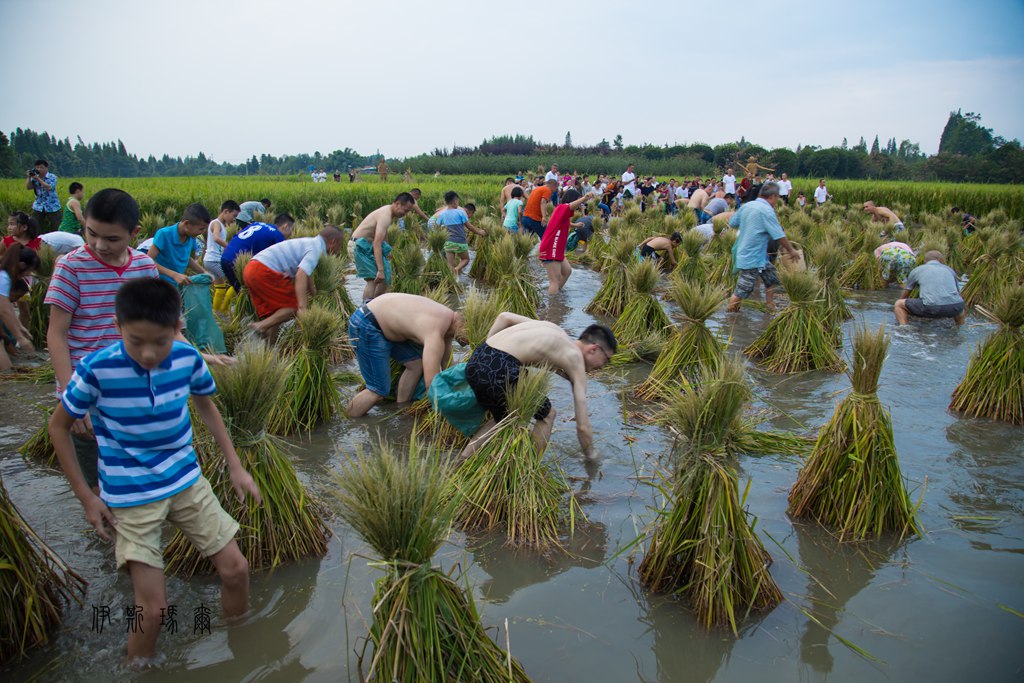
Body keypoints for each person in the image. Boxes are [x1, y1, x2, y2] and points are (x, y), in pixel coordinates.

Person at [49, 277, 260, 663]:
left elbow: (206, 406)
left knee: (236, 569)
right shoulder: (96, 369)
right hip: (130, 494)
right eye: (136, 341)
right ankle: (140, 669)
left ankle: (244, 649)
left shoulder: (187, 358)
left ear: (176, 327)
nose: (148, 354)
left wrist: (235, 465)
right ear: (118, 326)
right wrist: (86, 497)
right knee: (153, 609)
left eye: (160, 342)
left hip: (186, 479)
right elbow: (58, 427)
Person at [45, 189, 161, 492]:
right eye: (91, 233)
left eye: (111, 239)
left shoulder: (144, 267)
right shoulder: (71, 267)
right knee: (97, 484)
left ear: (134, 233)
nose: (99, 245)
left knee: (136, 477)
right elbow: (56, 334)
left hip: (132, 389)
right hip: (84, 391)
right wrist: (71, 398)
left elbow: (156, 327)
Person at [461, 316, 616, 461]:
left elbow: (504, 317)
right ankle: (529, 467)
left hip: (478, 358)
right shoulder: (575, 358)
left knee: (504, 416)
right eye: (606, 360)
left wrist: (487, 361)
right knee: (548, 414)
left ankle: (462, 459)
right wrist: (592, 456)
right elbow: (582, 426)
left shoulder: (554, 330)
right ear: (594, 349)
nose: (603, 366)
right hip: (500, 368)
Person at [347, 293, 465, 417]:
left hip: (382, 321)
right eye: (469, 334)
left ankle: (401, 409)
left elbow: (447, 364)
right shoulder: (435, 332)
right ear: (462, 325)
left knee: (416, 364)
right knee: (377, 390)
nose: (468, 342)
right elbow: (431, 384)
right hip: (367, 324)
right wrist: (451, 409)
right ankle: (349, 420)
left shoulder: (448, 322)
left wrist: (463, 386)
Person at [243, 225, 344, 342]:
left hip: (251, 269)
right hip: (263, 271)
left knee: (277, 313)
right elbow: (301, 274)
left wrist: (314, 293)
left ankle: (269, 349)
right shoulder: (316, 249)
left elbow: (307, 273)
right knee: (292, 307)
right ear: (333, 242)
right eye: (340, 246)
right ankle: (260, 326)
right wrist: (302, 307)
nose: (339, 251)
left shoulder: (311, 243)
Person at [726, 182, 800, 312]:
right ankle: (730, 315)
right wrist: (791, 250)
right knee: (743, 289)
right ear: (773, 196)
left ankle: (770, 305)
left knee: (771, 278)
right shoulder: (767, 211)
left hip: (759, 256)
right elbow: (779, 235)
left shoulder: (747, 205)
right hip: (751, 256)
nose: (777, 201)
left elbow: (732, 222)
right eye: (777, 197)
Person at [351, 193, 416, 301]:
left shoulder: (389, 214)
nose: (405, 214)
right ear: (397, 204)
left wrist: (387, 252)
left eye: (408, 211)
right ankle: (366, 308)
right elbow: (377, 243)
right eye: (405, 210)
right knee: (373, 279)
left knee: (385, 278)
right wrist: (380, 270)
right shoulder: (385, 215)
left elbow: (383, 236)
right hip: (359, 246)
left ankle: (376, 304)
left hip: (369, 246)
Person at [220, 214, 294, 291]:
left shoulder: (258, 224)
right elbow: (284, 259)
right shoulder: (277, 235)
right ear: (285, 226)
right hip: (236, 262)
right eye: (291, 230)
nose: (291, 234)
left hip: (225, 257)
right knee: (249, 291)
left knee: (239, 290)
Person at [539, 189, 593, 295]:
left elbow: (564, 222)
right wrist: (585, 198)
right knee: (554, 280)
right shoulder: (562, 207)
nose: (579, 205)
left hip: (557, 248)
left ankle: (556, 294)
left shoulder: (562, 212)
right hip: (551, 247)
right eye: (577, 201)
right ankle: (553, 302)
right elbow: (570, 206)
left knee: (567, 271)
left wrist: (575, 225)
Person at [894, 251, 966, 325]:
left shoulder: (917, 270)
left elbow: (907, 291)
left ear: (925, 261)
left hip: (931, 308)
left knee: (899, 304)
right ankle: (959, 326)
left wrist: (901, 302)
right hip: (955, 307)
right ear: (942, 260)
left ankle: (904, 327)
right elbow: (958, 293)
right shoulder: (950, 270)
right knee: (959, 306)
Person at [148, 204, 211, 286]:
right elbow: (148, 261)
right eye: (201, 229)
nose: (202, 232)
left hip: (175, 285)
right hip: (158, 284)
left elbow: (187, 258)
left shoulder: (191, 237)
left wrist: (204, 272)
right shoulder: (164, 234)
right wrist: (174, 275)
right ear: (187, 223)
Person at [0, 245, 40, 371]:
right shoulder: (3, 277)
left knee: (7, 370)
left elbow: (7, 307)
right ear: (22, 265)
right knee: (6, 370)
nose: (28, 274)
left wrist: (20, 327)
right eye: (30, 270)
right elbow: (4, 310)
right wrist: (20, 338)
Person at [437, 191, 486, 276]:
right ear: (455, 200)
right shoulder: (460, 212)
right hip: (460, 242)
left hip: (448, 242)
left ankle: (452, 280)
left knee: (450, 265)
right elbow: (470, 227)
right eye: (458, 201)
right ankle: (457, 269)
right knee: (466, 259)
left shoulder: (442, 214)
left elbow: (437, 227)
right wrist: (480, 232)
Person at [204, 201, 240, 312]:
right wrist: (230, 247)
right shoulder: (216, 223)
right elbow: (216, 238)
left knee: (220, 287)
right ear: (226, 211)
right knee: (236, 283)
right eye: (234, 216)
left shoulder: (221, 225)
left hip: (210, 260)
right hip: (214, 260)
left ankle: (216, 312)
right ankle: (224, 311)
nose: (234, 219)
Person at [25, 159, 61, 231]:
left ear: (46, 168)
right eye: (37, 167)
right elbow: (28, 187)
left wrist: (38, 179)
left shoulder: (52, 177)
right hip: (39, 205)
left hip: (52, 205)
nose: (39, 169)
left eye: (41, 167)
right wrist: (29, 177)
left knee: (56, 226)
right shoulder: (34, 177)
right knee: (33, 226)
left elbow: (49, 187)